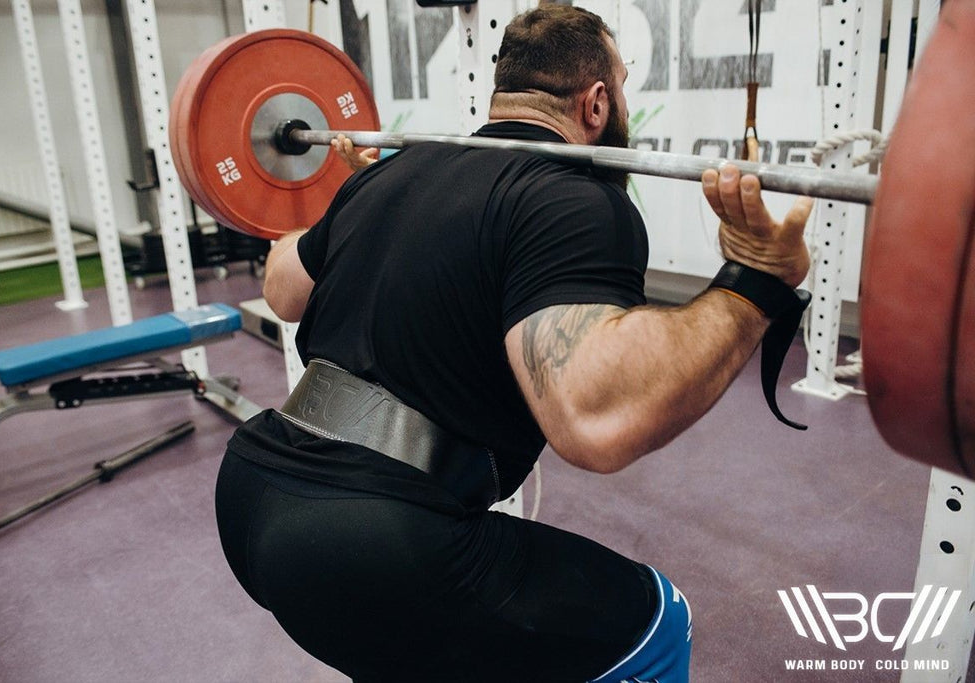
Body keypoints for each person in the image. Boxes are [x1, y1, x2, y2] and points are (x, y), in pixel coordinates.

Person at [214, 5, 812, 683]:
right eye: (620, 88)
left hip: (250, 494)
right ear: (596, 103)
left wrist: (357, 202)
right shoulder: (575, 199)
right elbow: (592, 420)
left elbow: (284, 284)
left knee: (406, 641)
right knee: (658, 621)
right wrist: (754, 283)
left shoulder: (388, 174)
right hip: (373, 546)